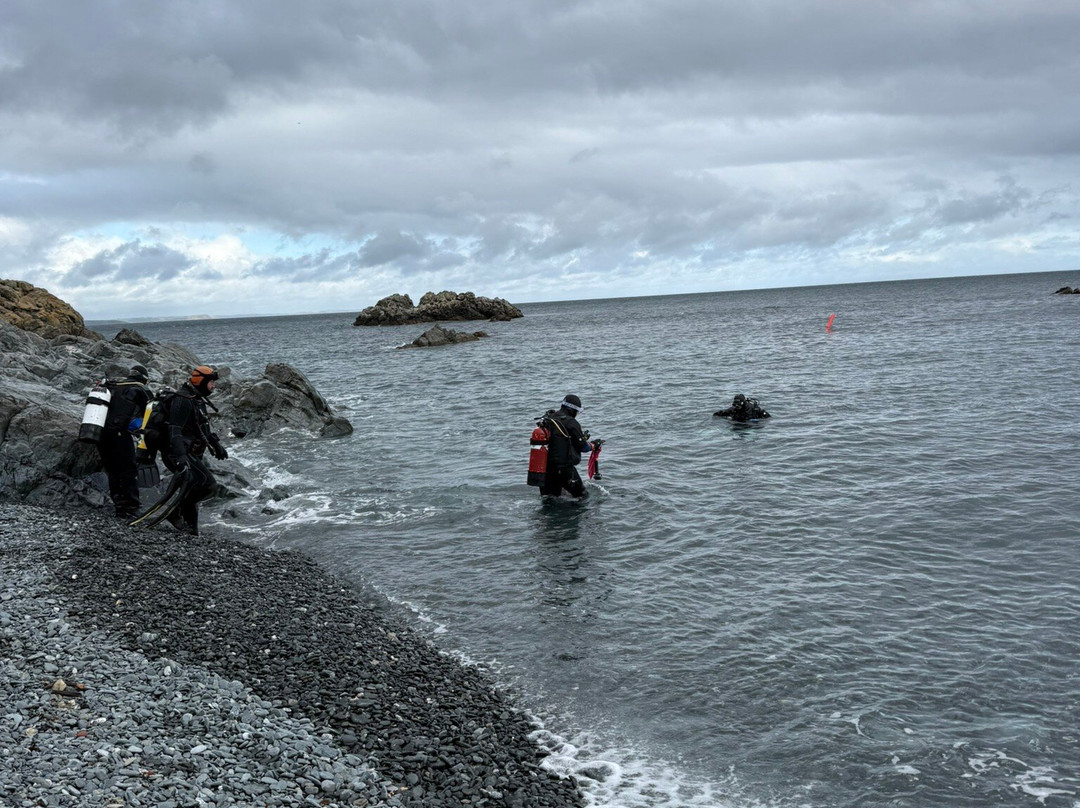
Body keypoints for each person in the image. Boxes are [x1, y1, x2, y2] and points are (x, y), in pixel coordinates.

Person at [159, 365, 228, 535]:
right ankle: (174, 512)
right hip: (177, 452)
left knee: (193, 487)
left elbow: (201, 427)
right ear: (201, 382)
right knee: (207, 485)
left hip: (189, 452)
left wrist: (216, 445)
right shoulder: (182, 400)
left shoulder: (196, 398)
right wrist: (181, 456)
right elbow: (174, 431)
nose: (213, 386)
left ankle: (191, 532)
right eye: (211, 382)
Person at [96, 364, 152, 518]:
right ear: (145, 379)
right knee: (128, 470)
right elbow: (153, 411)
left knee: (112, 470)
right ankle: (131, 508)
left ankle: (119, 506)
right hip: (119, 433)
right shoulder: (140, 388)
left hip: (100, 432)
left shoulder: (113, 386)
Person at [539, 394, 599, 499]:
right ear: (572, 410)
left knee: (550, 498)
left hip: (546, 469)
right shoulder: (571, 422)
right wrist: (593, 445)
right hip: (564, 469)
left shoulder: (549, 419)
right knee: (583, 496)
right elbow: (583, 447)